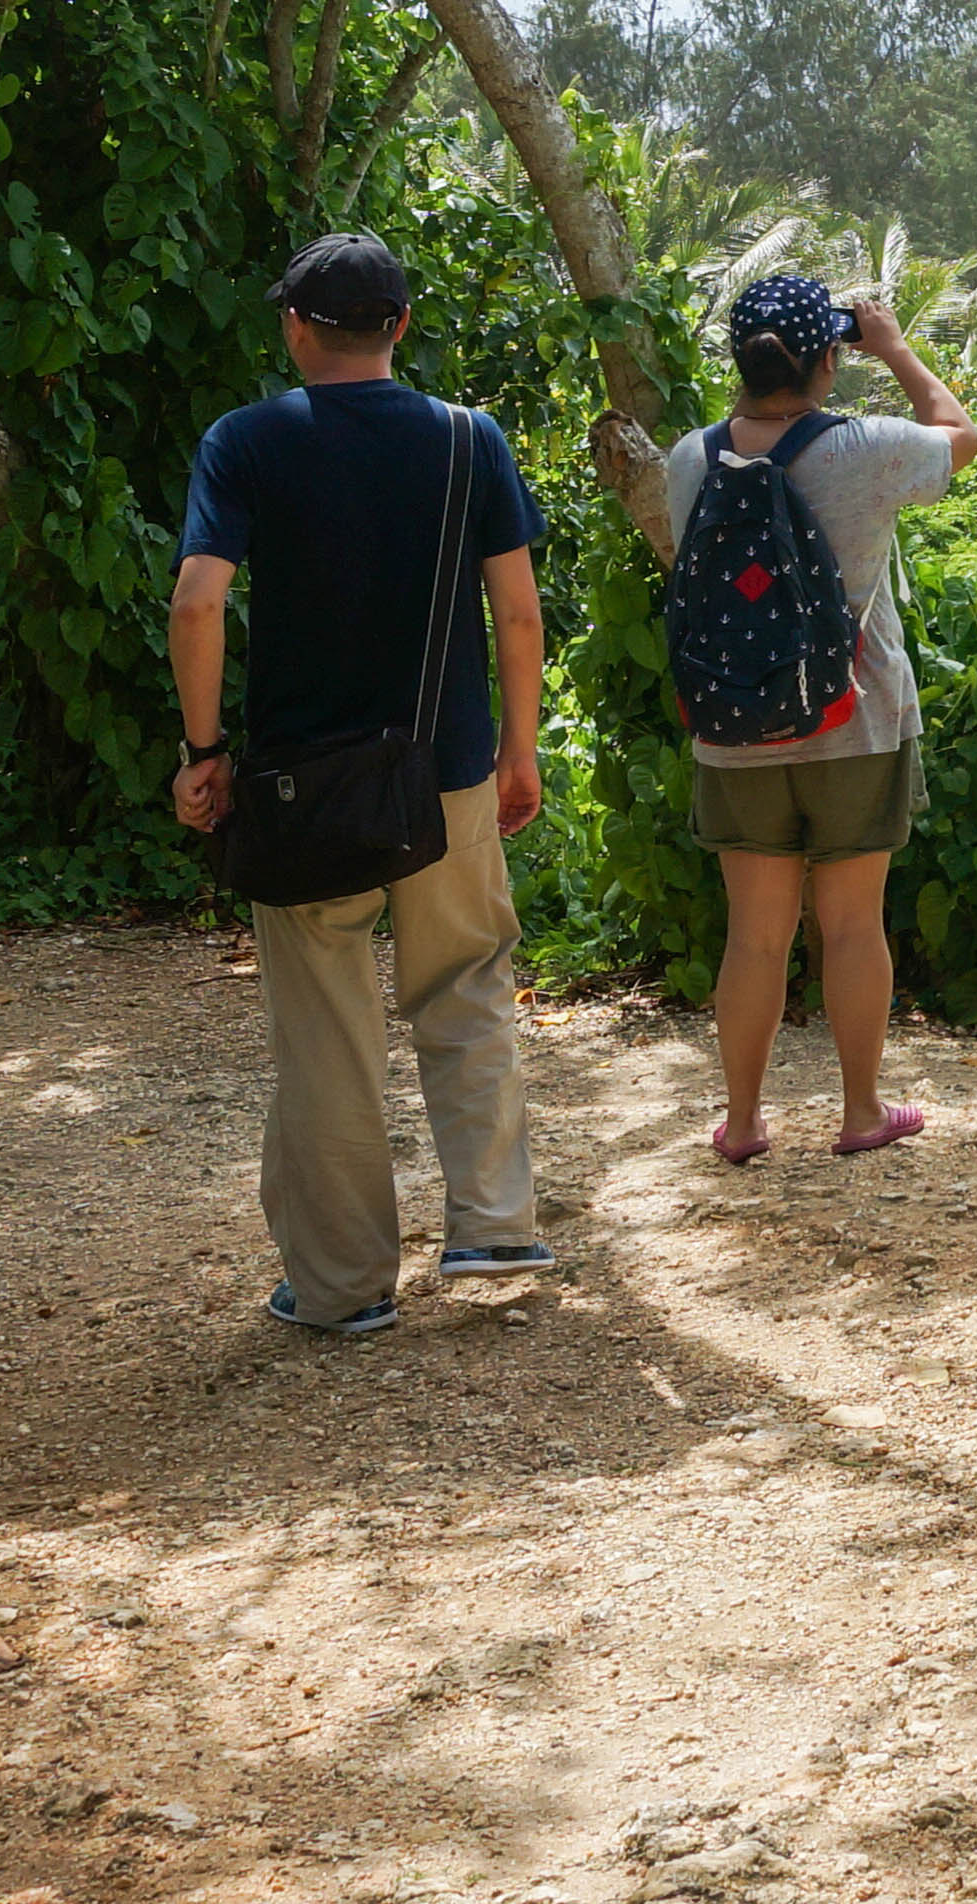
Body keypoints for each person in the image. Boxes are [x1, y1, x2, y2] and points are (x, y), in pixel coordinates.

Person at [166, 232, 555, 1334]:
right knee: (468, 980)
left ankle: (340, 1289)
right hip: (447, 772)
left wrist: (205, 754)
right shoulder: (466, 441)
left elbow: (198, 603)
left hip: (300, 791)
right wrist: (517, 749)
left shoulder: (245, 442)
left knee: (326, 1033)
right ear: (401, 326)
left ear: (294, 326)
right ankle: (490, 1222)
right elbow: (516, 612)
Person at [663, 271, 977, 1164]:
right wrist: (897, 347)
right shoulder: (868, 448)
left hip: (732, 725)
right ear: (828, 356)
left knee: (754, 933)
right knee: (851, 922)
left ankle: (746, 1120)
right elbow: (962, 437)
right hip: (857, 720)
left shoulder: (691, 459)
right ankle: (860, 1111)